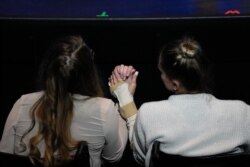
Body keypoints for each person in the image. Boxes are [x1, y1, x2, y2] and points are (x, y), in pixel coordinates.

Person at [109, 36, 250, 167]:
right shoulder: (242, 112)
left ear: (174, 84)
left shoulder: (150, 113)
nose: (161, 76)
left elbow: (141, 158)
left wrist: (126, 100)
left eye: (162, 72)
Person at [0, 35, 129, 167]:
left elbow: (5, 154)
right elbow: (113, 156)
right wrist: (124, 98)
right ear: (89, 73)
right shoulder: (104, 109)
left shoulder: (22, 104)